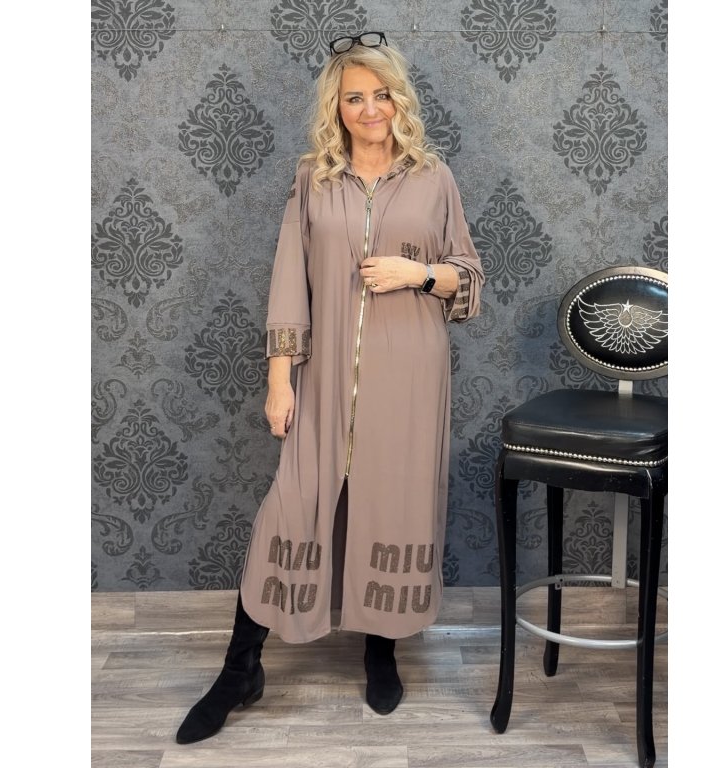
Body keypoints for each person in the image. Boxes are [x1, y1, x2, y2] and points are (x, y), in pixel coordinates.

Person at [176, 32, 485, 745]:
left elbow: (468, 277)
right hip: (322, 379)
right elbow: (290, 278)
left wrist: (419, 274)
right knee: (292, 508)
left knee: (392, 505)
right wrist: (279, 379)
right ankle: (239, 670)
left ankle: (382, 651)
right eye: (354, 98)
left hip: (410, 374)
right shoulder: (313, 178)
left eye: (381, 95)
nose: (370, 109)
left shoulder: (433, 177)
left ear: (398, 100)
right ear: (336, 108)